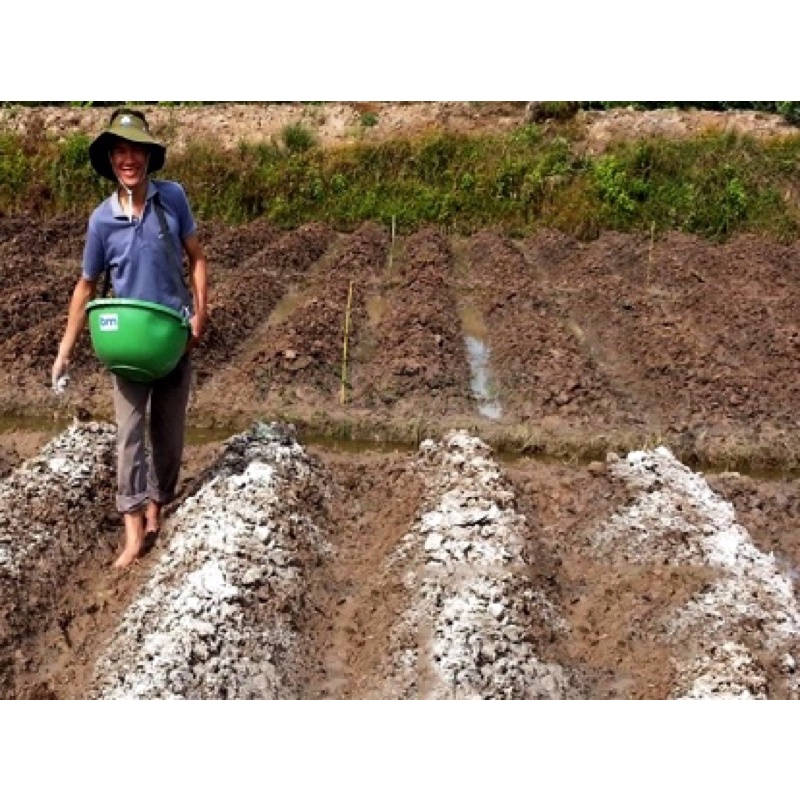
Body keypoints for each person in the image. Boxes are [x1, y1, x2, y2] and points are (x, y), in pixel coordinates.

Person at [52, 107, 209, 569]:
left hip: (172, 338)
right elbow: (86, 286)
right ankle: (133, 532)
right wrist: (65, 350)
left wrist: (201, 313)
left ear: (148, 157)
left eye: (136, 150)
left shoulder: (172, 199)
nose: (128, 159)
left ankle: (157, 506)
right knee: (128, 436)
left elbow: (197, 258)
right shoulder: (102, 221)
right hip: (128, 344)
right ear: (110, 160)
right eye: (120, 151)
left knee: (169, 435)